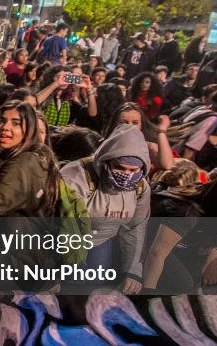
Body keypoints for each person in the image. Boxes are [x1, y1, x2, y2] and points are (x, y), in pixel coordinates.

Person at [60, 124, 150, 293]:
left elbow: (135, 228)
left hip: (102, 240)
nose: (127, 175)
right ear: (106, 160)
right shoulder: (76, 176)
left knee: (95, 292)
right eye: (120, 168)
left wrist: (132, 271)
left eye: (133, 170)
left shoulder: (140, 187)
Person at [103, 103, 174, 172]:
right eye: (123, 122)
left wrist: (161, 130)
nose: (130, 127)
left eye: (135, 123)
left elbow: (167, 165)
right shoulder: (106, 146)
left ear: (141, 126)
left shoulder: (148, 147)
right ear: (115, 124)